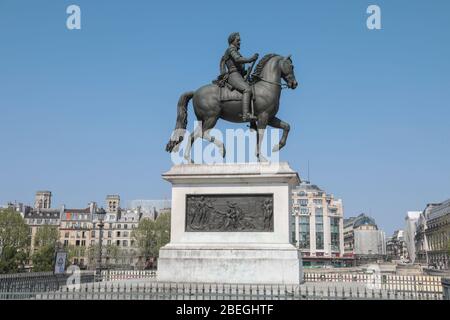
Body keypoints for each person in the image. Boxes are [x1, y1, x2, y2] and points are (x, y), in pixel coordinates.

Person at [220, 32, 259, 122]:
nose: (239, 42)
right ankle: (245, 114)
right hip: (233, 75)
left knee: (254, 88)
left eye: (239, 40)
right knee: (247, 89)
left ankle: (253, 121)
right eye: (238, 40)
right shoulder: (231, 49)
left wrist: (247, 72)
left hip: (239, 75)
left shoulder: (235, 50)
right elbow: (237, 59)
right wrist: (251, 59)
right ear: (232, 41)